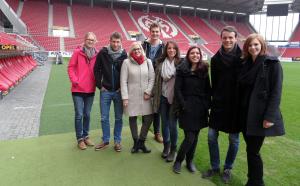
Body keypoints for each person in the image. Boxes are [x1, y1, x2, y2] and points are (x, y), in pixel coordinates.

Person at [237, 33, 285, 186]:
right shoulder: (245, 64)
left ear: (262, 45)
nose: (253, 47)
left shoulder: (272, 64)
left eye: (256, 44)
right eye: (250, 45)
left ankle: (256, 181)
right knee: (250, 150)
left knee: (253, 151)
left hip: (259, 116)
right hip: (245, 114)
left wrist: (270, 117)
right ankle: (254, 180)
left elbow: (276, 92)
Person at [202, 26, 242, 183]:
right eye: (225, 37)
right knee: (211, 136)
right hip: (219, 105)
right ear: (221, 38)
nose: (228, 40)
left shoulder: (243, 57)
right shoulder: (215, 59)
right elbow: (215, 83)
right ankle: (215, 167)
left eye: (230, 37)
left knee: (234, 140)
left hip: (235, 106)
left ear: (235, 38)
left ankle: (227, 168)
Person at [172, 46, 211, 174]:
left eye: (197, 53)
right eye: (192, 53)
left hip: (200, 108)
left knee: (195, 137)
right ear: (188, 55)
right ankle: (178, 160)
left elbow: (207, 89)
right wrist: (184, 105)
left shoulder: (204, 69)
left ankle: (189, 161)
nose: (195, 55)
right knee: (189, 137)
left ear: (200, 55)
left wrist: (206, 105)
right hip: (187, 107)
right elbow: (177, 90)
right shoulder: (182, 70)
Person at [93, 32, 127, 152]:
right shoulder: (103, 53)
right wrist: (99, 85)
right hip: (105, 91)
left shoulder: (124, 54)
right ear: (110, 41)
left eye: (118, 42)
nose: (115, 44)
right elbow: (96, 69)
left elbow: (127, 72)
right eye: (113, 41)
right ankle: (105, 140)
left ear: (121, 42)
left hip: (118, 91)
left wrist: (122, 88)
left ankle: (117, 141)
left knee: (119, 118)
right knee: (104, 117)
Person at [120, 42, 155, 153]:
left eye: (139, 48)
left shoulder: (148, 61)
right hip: (132, 95)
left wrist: (148, 91)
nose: (137, 51)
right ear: (131, 51)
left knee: (149, 118)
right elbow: (123, 81)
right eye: (134, 49)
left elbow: (152, 78)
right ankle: (135, 143)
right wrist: (125, 97)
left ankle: (141, 141)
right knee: (133, 117)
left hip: (146, 96)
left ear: (142, 49)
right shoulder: (126, 62)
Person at [67, 32, 98, 150]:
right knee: (79, 115)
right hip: (78, 89)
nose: (90, 41)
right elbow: (70, 67)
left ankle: (86, 136)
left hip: (90, 89)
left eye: (92, 40)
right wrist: (75, 81)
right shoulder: (77, 52)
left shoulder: (97, 54)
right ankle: (80, 139)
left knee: (87, 114)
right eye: (89, 39)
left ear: (95, 41)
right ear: (85, 40)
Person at [152, 41, 181, 162]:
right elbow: (155, 80)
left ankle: (173, 149)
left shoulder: (180, 63)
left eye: (174, 48)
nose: (171, 50)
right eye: (169, 48)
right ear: (166, 50)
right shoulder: (160, 63)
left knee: (173, 125)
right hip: (162, 97)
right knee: (164, 124)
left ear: (176, 50)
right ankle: (166, 147)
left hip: (175, 100)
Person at [142, 22, 164, 143]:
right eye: (153, 31)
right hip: (144, 79)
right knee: (145, 106)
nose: (155, 33)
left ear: (160, 33)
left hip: (158, 80)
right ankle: (144, 133)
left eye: (157, 31)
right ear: (149, 32)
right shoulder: (144, 45)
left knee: (157, 107)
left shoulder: (164, 46)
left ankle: (157, 132)